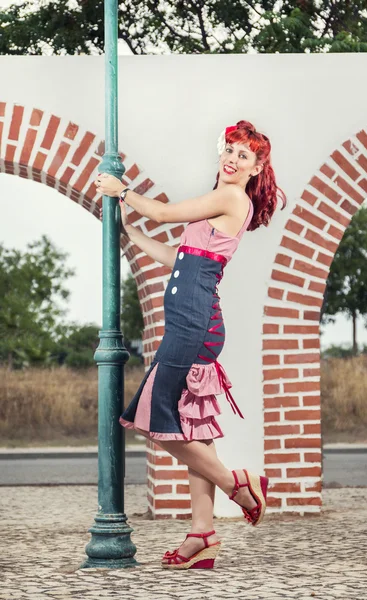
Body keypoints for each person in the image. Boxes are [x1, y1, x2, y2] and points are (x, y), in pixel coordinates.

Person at [95, 120, 286, 570]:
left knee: (156, 417)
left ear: (256, 168)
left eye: (245, 156)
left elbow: (161, 213)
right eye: (231, 150)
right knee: (192, 426)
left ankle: (237, 483)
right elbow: (175, 256)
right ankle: (202, 533)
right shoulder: (219, 204)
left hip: (193, 325)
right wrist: (130, 234)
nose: (233, 160)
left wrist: (120, 190)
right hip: (194, 322)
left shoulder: (230, 197)